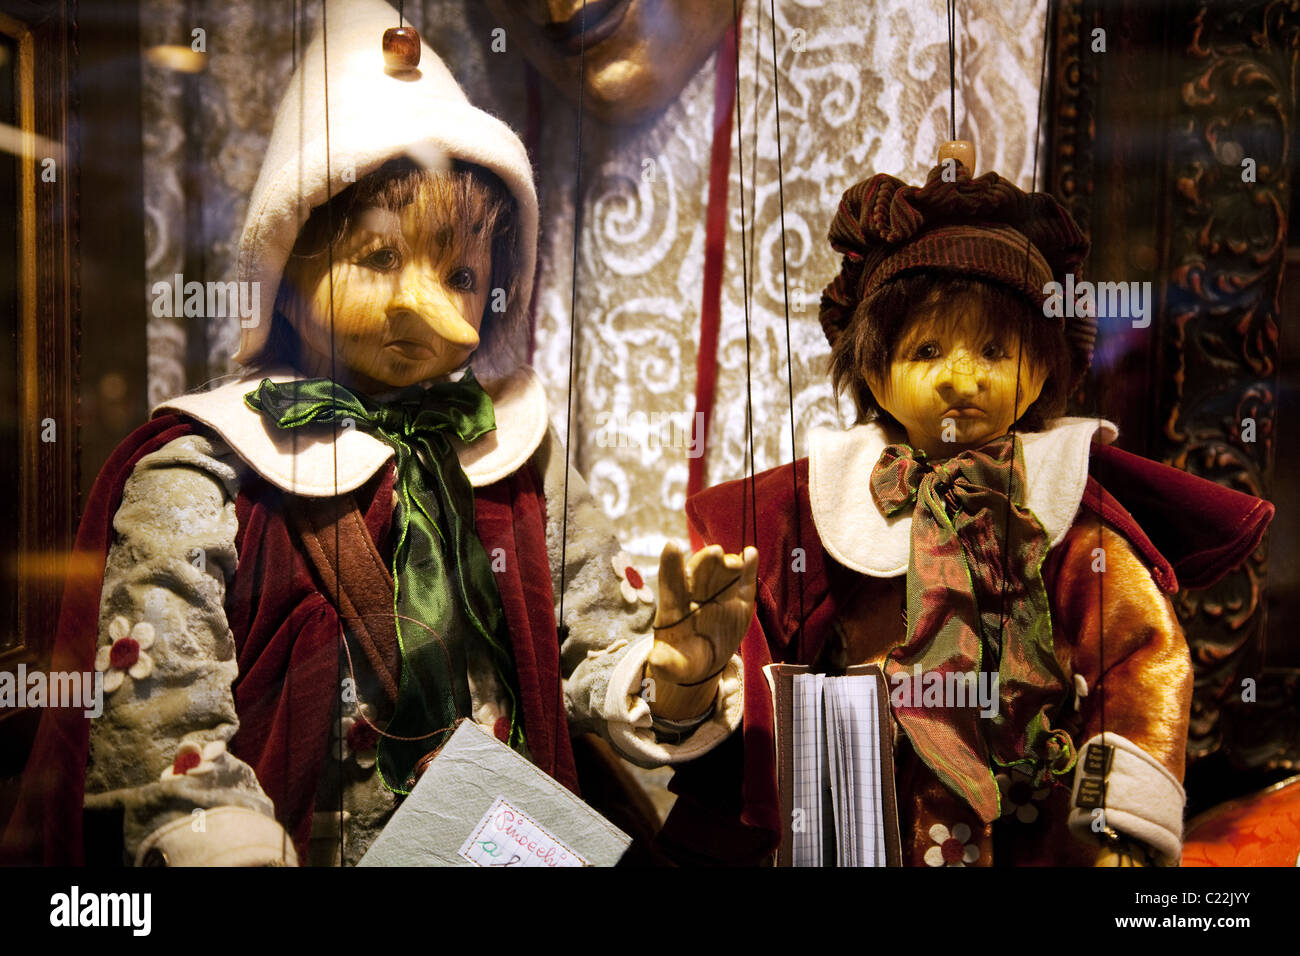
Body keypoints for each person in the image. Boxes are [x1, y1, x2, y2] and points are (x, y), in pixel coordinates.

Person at [2, 0, 754, 867]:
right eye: (380, 257)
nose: (436, 311)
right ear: (285, 273)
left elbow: (594, 636)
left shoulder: (512, 446)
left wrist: (675, 668)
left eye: (463, 271)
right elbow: (162, 700)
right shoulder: (206, 463)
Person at [662, 160, 1274, 866]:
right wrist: (703, 693)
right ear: (872, 370)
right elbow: (762, 644)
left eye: (995, 349)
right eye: (926, 350)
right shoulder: (816, 511)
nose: (962, 376)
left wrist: (1119, 818)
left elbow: (1139, 653)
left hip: (1027, 822)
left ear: (1044, 369)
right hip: (861, 817)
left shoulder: (1061, 512)